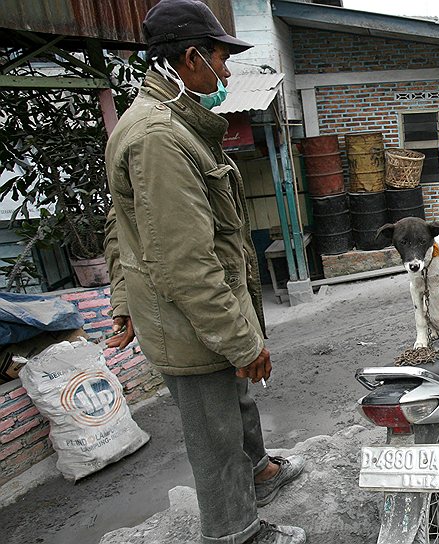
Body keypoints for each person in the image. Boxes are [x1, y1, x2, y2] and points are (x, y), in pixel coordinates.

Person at [103, 1, 306, 543]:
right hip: (188, 319)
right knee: (215, 432)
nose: (227, 72)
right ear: (191, 58)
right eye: (221, 59)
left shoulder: (173, 125)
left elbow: (122, 226)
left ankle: (259, 472)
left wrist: (121, 303)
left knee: (234, 400)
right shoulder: (160, 139)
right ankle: (236, 531)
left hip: (198, 316)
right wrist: (243, 343)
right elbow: (185, 263)